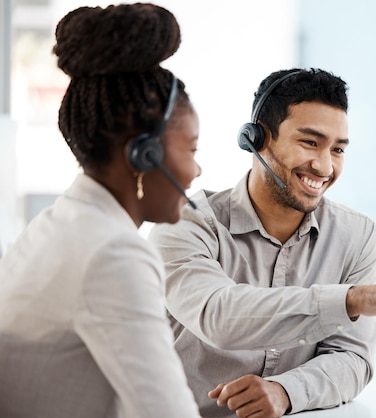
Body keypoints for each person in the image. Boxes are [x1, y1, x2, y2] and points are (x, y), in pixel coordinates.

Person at [148, 68, 376, 418]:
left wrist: (284, 392)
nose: (324, 166)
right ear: (257, 139)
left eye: (337, 149)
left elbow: (352, 357)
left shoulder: (356, 235)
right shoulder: (184, 223)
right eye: (310, 142)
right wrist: (352, 300)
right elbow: (219, 316)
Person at [0, 3, 202, 417]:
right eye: (192, 149)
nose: (197, 170)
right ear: (144, 154)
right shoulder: (113, 253)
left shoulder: (58, 224)